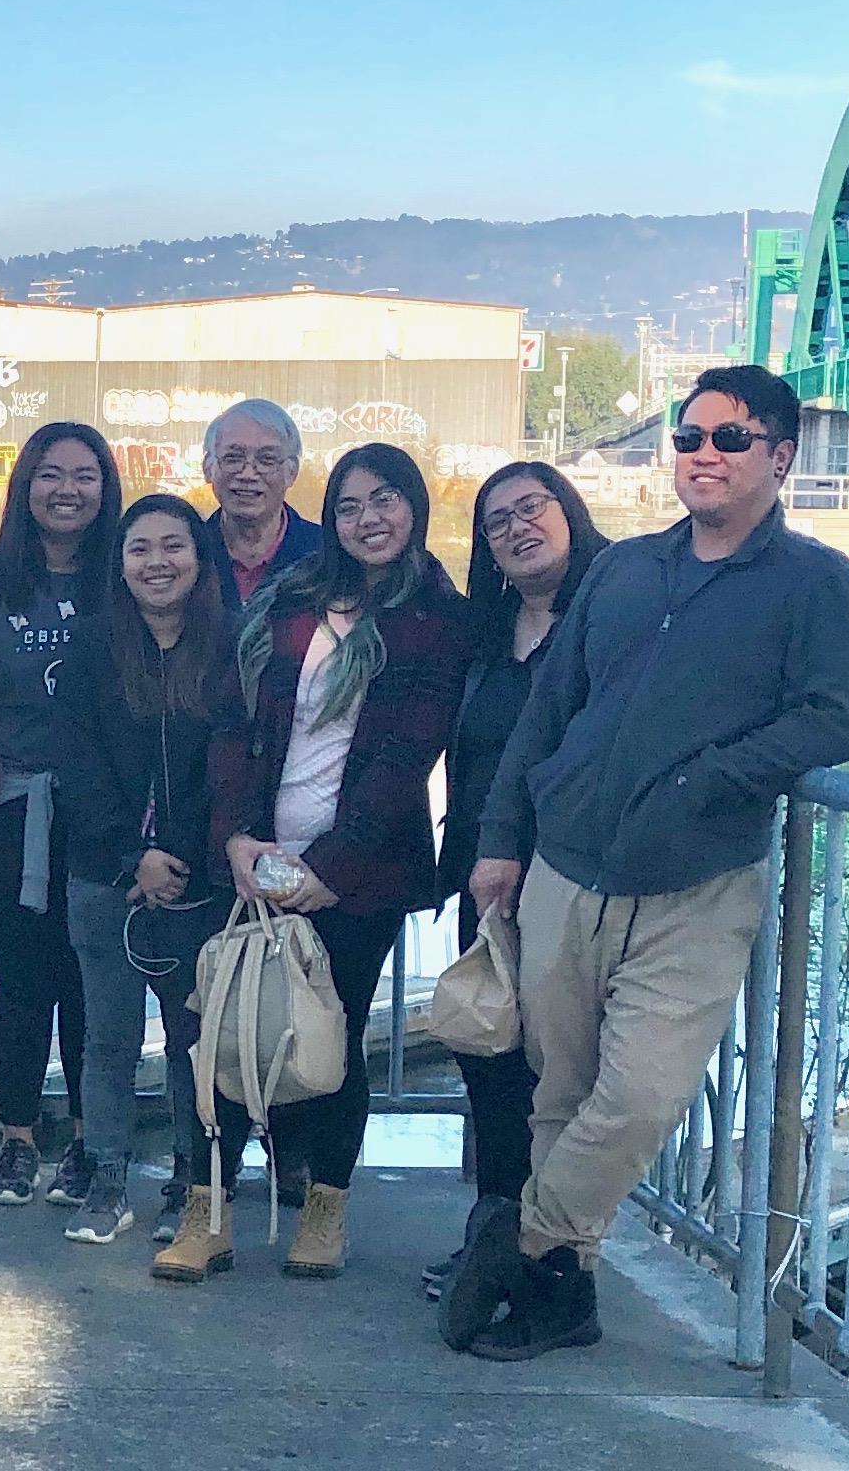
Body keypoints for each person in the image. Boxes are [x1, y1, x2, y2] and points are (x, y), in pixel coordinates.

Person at [451, 364, 849, 1361]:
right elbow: (549, 711)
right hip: (565, 867)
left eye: (730, 439)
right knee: (560, 1091)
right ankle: (564, 1296)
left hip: (697, 883)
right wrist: (502, 837)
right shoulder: (626, 569)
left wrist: (708, 780)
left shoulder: (816, 583)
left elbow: (836, 715)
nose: (704, 455)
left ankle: (515, 1239)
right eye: (689, 438)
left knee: (639, 1097)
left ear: (780, 454)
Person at [205, 440, 467, 1280]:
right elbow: (238, 725)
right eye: (350, 505)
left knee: (332, 1030)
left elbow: (407, 756)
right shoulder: (295, 596)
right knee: (245, 1023)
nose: (368, 519)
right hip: (262, 857)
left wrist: (330, 866)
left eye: (385, 500)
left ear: (415, 507)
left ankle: (326, 1204)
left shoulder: (436, 613)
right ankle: (219, 1199)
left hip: (361, 875)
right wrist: (239, 836)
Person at [421, 461, 605, 1303]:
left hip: (569, 880)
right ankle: (494, 1233)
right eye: (497, 521)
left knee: (557, 1075)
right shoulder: (486, 634)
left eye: (533, 507)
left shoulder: (608, 616)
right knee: (487, 1062)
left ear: (568, 511)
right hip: (485, 880)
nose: (518, 527)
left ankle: (553, 1252)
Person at [55, 493, 237, 1271]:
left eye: (174, 546)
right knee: (108, 1038)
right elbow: (76, 764)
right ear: (120, 563)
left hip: (199, 884)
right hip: (105, 876)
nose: (157, 562)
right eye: (139, 548)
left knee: (197, 1042)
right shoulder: (93, 647)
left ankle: (196, 1187)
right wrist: (133, 855)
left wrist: (183, 859)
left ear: (199, 557)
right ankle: (107, 1175)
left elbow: (237, 766)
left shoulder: (231, 646)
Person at [0, 422, 116, 1211]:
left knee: (91, 981)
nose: (67, 490)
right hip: (15, 808)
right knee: (24, 984)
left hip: (104, 811)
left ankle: (91, 1141)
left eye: (84, 475)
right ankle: (16, 1136)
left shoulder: (127, 574)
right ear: (26, 486)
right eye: (51, 474)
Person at [194, 398, 324, 613]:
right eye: (233, 457)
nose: (247, 474)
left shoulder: (324, 555)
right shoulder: (189, 553)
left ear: (291, 472)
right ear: (208, 468)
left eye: (267, 460)